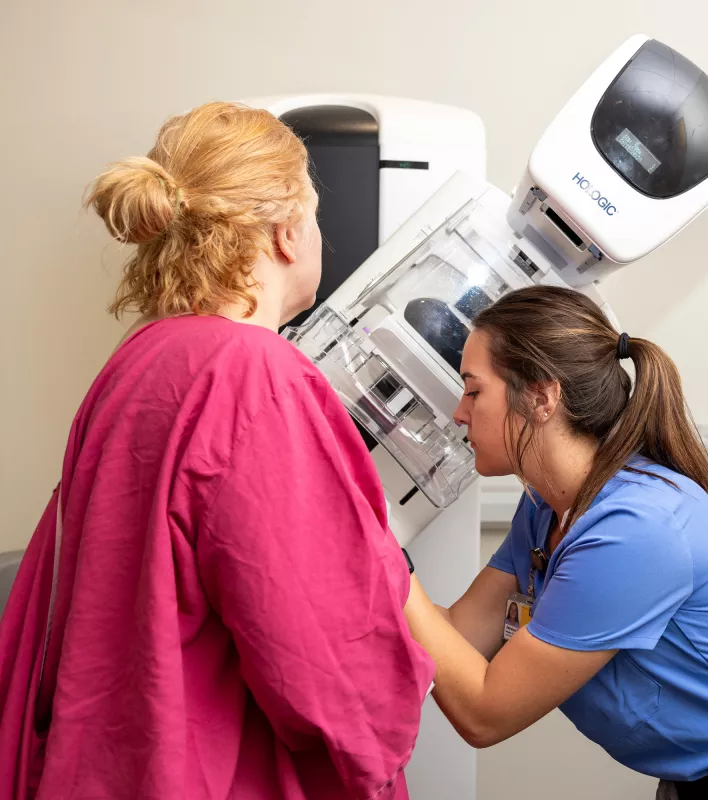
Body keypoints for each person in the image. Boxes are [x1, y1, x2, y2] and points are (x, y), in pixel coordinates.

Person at [0, 101, 433, 800]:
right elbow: (332, 673)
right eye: (315, 213)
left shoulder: (137, 361)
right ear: (289, 232)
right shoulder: (256, 375)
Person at [403, 285, 708, 799]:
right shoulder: (547, 505)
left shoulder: (637, 527)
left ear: (542, 398)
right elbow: (458, 634)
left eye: (474, 391)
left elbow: (484, 714)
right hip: (692, 783)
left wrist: (388, 563)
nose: (459, 413)